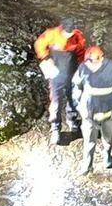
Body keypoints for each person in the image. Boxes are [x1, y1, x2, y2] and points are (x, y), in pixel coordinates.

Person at [71, 45, 112, 175]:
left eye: (93, 61)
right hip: (88, 116)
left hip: (107, 115)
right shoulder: (84, 68)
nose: (89, 65)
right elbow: (76, 85)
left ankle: (107, 158)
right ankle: (87, 166)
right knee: (88, 142)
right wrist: (78, 103)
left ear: (102, 58)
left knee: (108, 139)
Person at [34, 17, 85, 145]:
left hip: (72, 73)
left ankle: (72, 120)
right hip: (56, 74)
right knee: (56, 102)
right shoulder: (51, 34)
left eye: (71, 32)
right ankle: (55, 128)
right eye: (67, 32)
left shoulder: (77, 36)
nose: (69, 35)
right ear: (61, 28)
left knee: (73, 98)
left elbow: (81, 53)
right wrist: (46, 58)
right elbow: (39, 44)